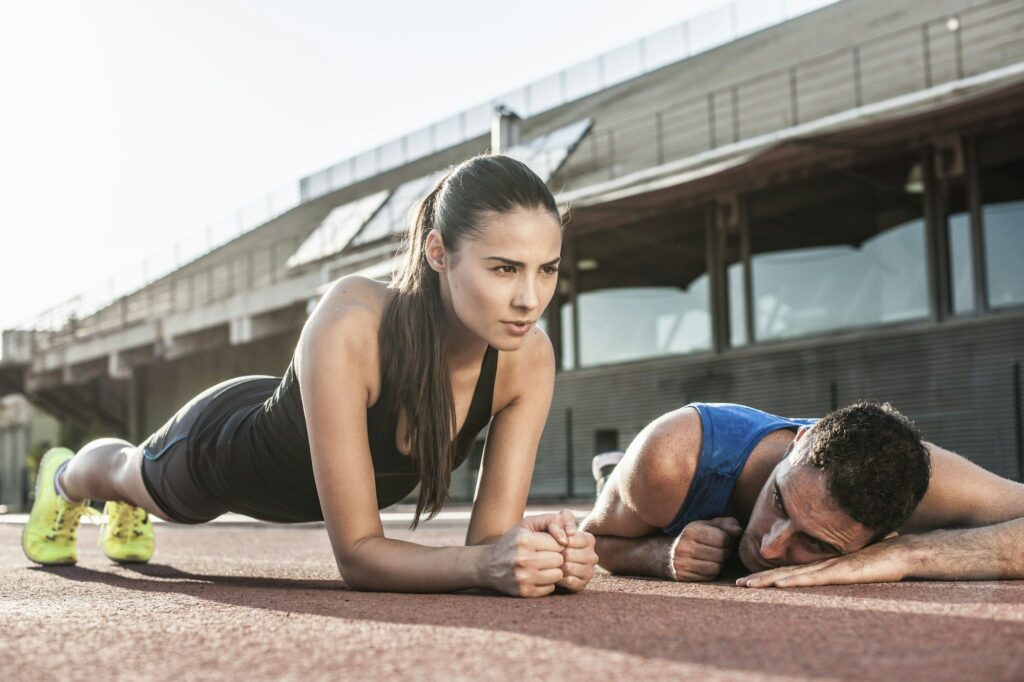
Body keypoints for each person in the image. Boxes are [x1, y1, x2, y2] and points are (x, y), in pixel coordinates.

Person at [23, 154, 598, 598]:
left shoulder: (529, 360)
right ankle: (66, 477)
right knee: (130, 474)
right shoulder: (352, 320)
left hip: (288, 419)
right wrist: (487, 564)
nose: (530, 298)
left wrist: (540, 553)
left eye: (546, 270)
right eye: (504, 269)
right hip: (220, 451)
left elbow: (489, 548)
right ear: (438, 253)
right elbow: (358, 555)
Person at [581, 401, 1024, 587]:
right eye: (779, 501)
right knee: (625, 491)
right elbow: (594, 542)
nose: (770, 546)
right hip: (656, 488)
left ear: (881, 536)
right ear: (798, 443)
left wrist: (909, 556)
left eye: (815, 543)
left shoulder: (927, 486)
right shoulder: (674, 459)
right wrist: (662, 555)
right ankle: (612, 470)